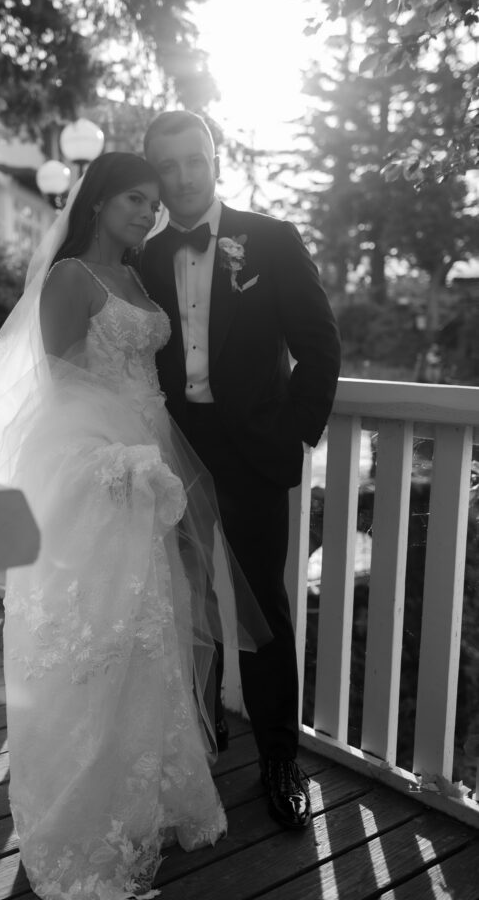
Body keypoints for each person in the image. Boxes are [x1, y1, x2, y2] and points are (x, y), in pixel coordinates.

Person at [0, 152, 270, 900]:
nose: (148, 213)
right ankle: (84, 815)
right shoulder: (70, 281)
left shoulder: (136, 278)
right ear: (94, 202)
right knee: (99, 639)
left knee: (154, 630)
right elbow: (53, 396)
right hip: (102, 478)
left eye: (153, 203)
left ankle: (145, 796)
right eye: (133, 199)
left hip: (154, 467)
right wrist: (112, 467)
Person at [141, 111, 341, 831]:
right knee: (184, 605)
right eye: (168, 165)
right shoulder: (143, 257)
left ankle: (279, 761)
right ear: (155, 175)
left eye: (194, 159)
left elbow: (319, 347)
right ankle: (201, 736)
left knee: (265, 617)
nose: (185, 176)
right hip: (175, 457)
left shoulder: (272, 240)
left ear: (214, 158)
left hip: (255, 458)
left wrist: (289, 435)